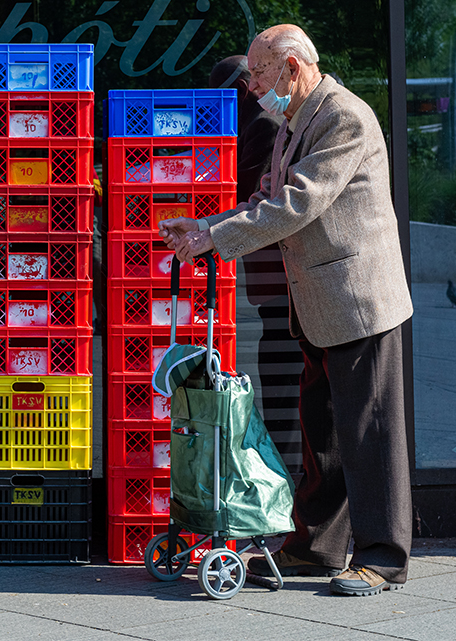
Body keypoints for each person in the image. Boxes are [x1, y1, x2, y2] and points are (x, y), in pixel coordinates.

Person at [160, 25, 414, 596]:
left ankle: (384, 557)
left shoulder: (343, 116)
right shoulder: (297, 121)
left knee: (369, 433)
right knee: (323, 431)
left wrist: (214, 239)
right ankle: (315, 547)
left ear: (292, 68)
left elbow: (296, 204)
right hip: (321, 303)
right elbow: (266, 197)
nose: (251, 86)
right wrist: (205, 229)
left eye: (259, 74)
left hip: (357, 300)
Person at [208, 56, 303, 469]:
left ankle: (289, 477)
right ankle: (289, 474)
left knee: (286, 381)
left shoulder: (262, 128)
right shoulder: (259, 126)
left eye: (218, 103)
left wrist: (205, 230)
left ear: (239, 93)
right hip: (274, 287)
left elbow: (244, 198)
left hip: (285, 283)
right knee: (281, 378)